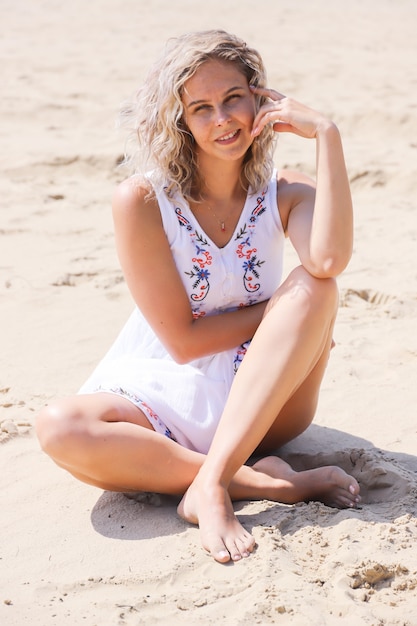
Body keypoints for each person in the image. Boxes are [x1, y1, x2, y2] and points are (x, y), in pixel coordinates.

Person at [36, 29, 360, 564]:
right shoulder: (143, 200)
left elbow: (328, 261)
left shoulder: (283, 192)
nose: (223, 120)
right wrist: (276, 313)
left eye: (233, 98)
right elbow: (183, 343)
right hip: (169, 387)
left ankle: (209, 483)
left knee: (315, 287)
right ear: (180, 120)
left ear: (260, 98)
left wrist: (327, 133)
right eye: (201, 108)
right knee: (60, 427)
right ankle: (261, 483)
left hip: (269, 395)